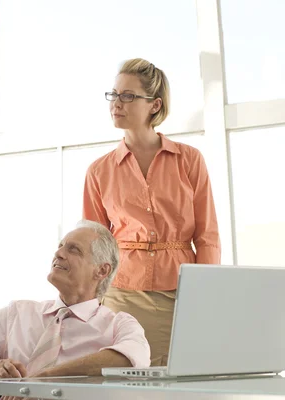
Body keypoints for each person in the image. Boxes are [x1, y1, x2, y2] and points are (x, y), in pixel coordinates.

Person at [83, 58, 220, 367]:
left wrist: (205, 294)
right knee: (125, 383)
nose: (116, 104)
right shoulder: (98, 171)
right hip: (120, 294)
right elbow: (93, 246)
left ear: (154, 105)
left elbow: (207, 236)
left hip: (181, 293)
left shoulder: (189, 160)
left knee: (179, 378)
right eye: (114, 95)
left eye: (128, 96)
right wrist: (90, 302)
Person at [0, 220, 150, 400]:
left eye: (73, 249)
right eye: (60, 246)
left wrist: (43, 380)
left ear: (101, 270)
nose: (59, 253)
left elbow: (135, 357)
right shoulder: (19, 313)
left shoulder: (119, 324)